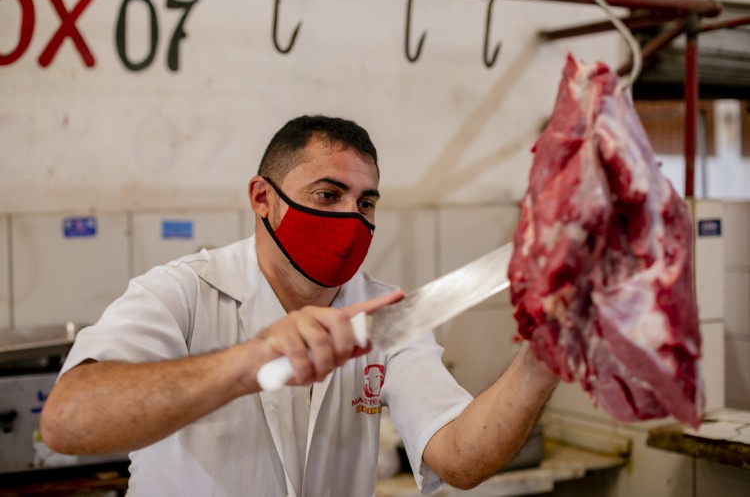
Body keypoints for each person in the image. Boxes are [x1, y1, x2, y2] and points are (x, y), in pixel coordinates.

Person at [41, 115, 559, 496]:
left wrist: (545, 355)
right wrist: (247, 361)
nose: (352, 218)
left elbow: (459, 458)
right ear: (262, 199)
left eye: (366, 202)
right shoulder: (183, 293)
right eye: (327, 195)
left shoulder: (384, 315)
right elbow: (66, 421)